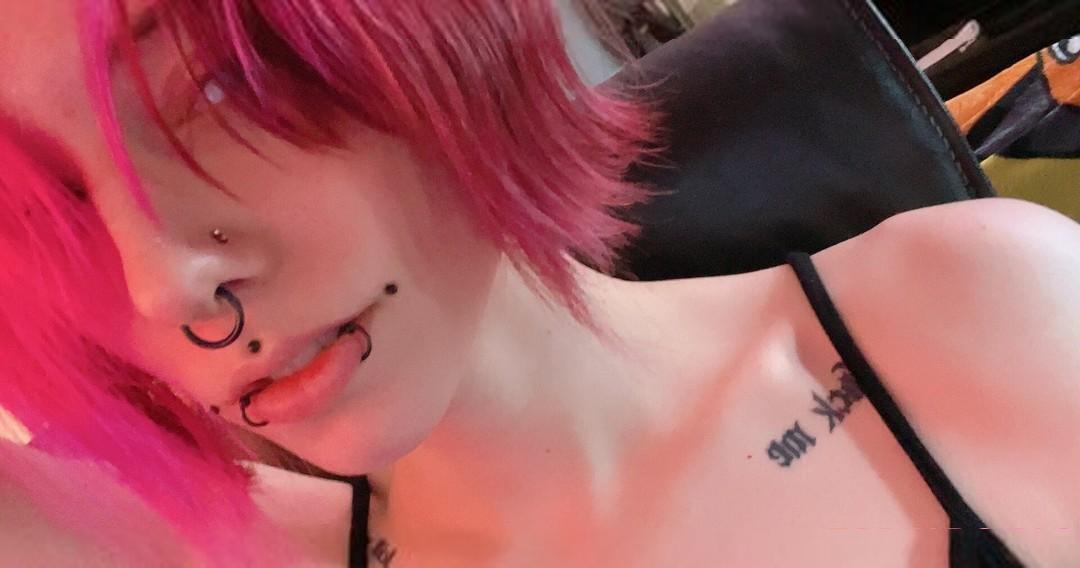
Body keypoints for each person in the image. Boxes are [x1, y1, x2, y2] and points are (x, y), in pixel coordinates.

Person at [0, 1, 1077, 566]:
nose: (166, 285)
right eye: (49, 211)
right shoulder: (239, 547)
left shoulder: (976, 312)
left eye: (213, 87)